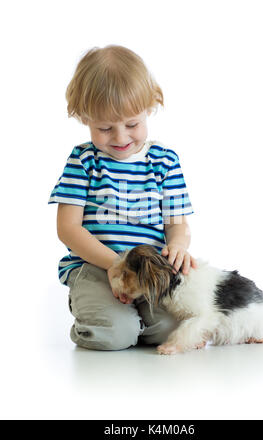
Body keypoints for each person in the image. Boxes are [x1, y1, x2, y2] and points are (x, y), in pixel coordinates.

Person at [48, 45, 196, 351]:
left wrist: (178, 246)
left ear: (150, 107)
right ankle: (110, 321)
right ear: (83, 117)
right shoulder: (83, 161)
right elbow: (68, 228)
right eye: (104, 128)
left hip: (147, 272)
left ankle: (135, 320)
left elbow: (176, 223)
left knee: (172, 328)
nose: (120, 138)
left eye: (132, 124)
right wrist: (115, 264)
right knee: (115, 334)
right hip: (96, 266)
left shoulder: (164, 161)